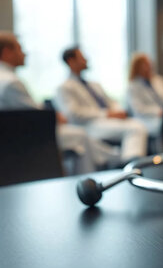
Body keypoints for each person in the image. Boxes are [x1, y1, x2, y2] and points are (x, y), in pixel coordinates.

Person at [0, 32, 117, 173]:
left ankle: (114, 159)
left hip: (15, 134)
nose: (24, 53)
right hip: (24, 136)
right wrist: (54, 116)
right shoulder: (11, 82)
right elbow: (35, 115)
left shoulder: (6, 78)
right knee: (80, 136)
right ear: (6, 52)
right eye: (19, 48)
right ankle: (98, 172)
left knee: (80, 136)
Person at [55, 46, 148, 162]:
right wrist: (106, 114)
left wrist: (118, 111)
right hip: (89, 124)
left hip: (107, 121)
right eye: (82, 58)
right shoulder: (64, 87)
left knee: (138, 123)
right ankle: (130, 164)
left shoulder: (94, 85)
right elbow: (73, 114)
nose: (86, 60)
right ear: (71, 61)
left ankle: (125, 161)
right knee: (135, 128)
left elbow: (111, 102)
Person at [126, 53, 163, 137]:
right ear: (137, 67)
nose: (149, 67)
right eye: (145, 65)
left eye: (149, 64)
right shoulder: (133, 86)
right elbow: (139, 109)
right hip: (147, 119)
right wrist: (158, 112)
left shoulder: (159, 80)